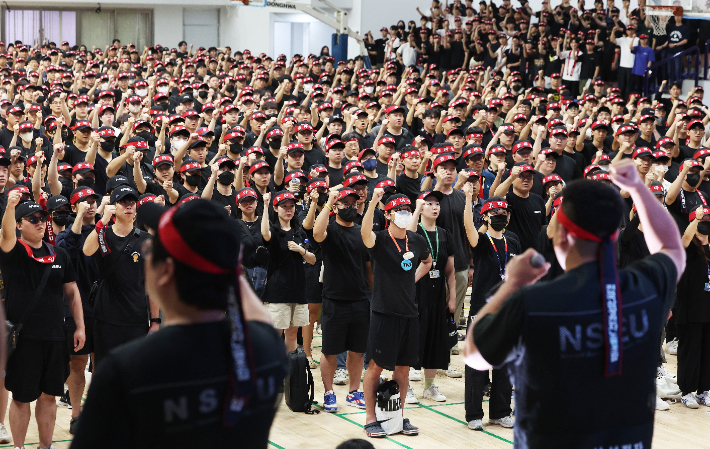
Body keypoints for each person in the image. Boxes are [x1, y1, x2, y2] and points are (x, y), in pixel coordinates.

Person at [464, 159, 685, 447]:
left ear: (562, 234)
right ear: (616, 231)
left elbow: (475, 354)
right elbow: (671, 247)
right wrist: (638, 188)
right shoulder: (646, 287)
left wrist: (511, 285)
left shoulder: (533, 301)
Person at [70, 199, 288, 448]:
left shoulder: (126, 371)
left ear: (165, 272)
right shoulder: (265, 350)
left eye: (152, 253)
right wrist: (221, 256)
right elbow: (260, 317)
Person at [0, 191, 85, 449]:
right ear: (19, 224)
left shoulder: (59, 254)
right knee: (22, 397)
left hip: (55, 336)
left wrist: (80, 326)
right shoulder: (13, 251)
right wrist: (11, 206)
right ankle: (19, 446)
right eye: (31, 218)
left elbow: (72, 291)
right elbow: (4, 234)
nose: (39, 222)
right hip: (23, 338)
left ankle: (45, 446)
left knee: (50, 396)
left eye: (42, 217)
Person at [361, 190, 431, 438]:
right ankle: (370, 418)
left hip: (410, 314)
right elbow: (364, 233)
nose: (404, 214)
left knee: (402, 369)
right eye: (399, 211)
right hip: (384, 313)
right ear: (389, 215)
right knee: (376, 367)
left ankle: (397, 416)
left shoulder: (416, 239)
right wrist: (372, 202)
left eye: (407, 210)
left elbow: (427, 262)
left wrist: (413, 279)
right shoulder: (379, 239)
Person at [462, 189, 519, 431]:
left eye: (504, 212)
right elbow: (467, 227)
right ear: (485, 217)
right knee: (477, 366)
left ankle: (500, 412)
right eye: (495, 212)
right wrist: (467, 198)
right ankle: (474, 414)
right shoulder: (482, 242)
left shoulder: (513, 241)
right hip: (482, 312)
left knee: (505, 366)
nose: (500, 215)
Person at [81, 185, 157, 367]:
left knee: (135, 373)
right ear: (114, 206)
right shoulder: (103, 234)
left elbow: (153, 284)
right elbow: (87, 250)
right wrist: (102, 221)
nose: (129, 206)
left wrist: (155, 321)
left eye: (132, 202)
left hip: (136, 319)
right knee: (105, 371)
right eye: (123, 202)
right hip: (106, 318)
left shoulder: (147, 240)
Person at [313, 187, 371, 412]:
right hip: (334, 300)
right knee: (329, 351)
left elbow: (368, 268)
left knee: (357, 350)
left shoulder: (361, 233)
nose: (350, 207)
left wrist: (371, 296)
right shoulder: (330, 230)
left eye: (353, 203)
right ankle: (328, 393)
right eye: (344, 203)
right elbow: (316, 233)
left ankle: (354, 392)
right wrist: (329, 202)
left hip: (359, 300)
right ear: (336, 207)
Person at [407, 190, 457, 404]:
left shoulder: (445, 234)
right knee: (412, 340)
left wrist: (452, 295)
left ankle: (429, 387)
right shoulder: (415, 231)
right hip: (415, 294)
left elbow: (451, 270)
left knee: (435, 340)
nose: (434, 207)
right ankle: (405, 386)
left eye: (437, 203)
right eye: (429, 203)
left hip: (437, 294)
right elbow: (406, 239)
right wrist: (416, 210)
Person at [260, 191, 316, 352]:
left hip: (298, 290)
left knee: (292, 333)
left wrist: (300, 250)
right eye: (284, 207)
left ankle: (290, 372)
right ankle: (273, 370)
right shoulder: (274, 232)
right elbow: (264, 233)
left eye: (291, 206)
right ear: (276, 209)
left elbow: (312, 259)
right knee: (275, 333)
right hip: (277, 291)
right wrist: (265, 206)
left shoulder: (299, 232)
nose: (289, 210)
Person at [676, 206, 710, 408]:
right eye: (702, 220)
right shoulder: (688, 246)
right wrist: (696, 219)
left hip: (707, 307)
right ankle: (687, 391)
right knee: (690, 350)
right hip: (690, 308)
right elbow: (685, 238)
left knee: (706, 351)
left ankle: (704, 390)